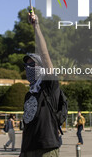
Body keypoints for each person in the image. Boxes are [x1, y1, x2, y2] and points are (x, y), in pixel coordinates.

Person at [20, 11, 61, 157]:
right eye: (27, 66)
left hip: (47, 149)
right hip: (28, 149)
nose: (29, 68)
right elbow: (28, 125)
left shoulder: (49, 87)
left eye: (33, 65)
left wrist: (36, 26)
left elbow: (45, 55)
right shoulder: (28, 95)